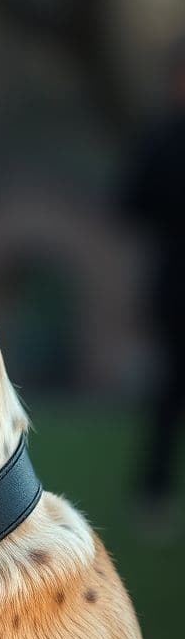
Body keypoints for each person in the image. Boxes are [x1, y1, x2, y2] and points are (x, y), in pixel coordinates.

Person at [121, 42, 185, 531]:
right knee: (171, 390)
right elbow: (132, 203)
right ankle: (154, 492)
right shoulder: (161, 139)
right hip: (175, 283)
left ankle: (154, 492)